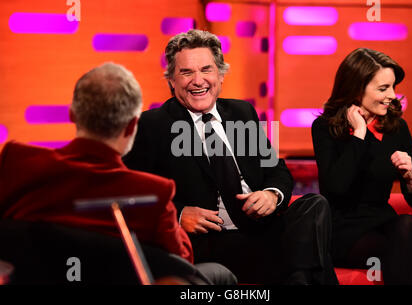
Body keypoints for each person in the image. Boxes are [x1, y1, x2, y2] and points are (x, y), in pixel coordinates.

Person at [123, 29, 338, 285]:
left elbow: (277, 170)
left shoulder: (242, 111)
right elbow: (131, 197)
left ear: (220, 75)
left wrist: (271, 194)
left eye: (206, 69)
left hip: (261, 230)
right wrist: (178, 215)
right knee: (311, 260)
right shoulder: (151, 125)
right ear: (171, 80)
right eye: (186, 72)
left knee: (314, 205)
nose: (198, 80)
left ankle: (299, 276)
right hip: (212, 240)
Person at [0, 62, 236, 285]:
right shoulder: (152, 193)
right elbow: (180, 265)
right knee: (220, 274)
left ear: (72, 114)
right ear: (133, 125)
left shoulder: (17, 162)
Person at [311, 48, 412, 284]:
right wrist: (359, 134)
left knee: (407, 225)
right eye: (383, 88)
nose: (392, 95)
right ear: (357, 89)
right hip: (342, 229)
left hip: (381, 222)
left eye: (393, 87)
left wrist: (410, 178)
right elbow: (336, 187)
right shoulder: (324, 128)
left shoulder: (397, 128)